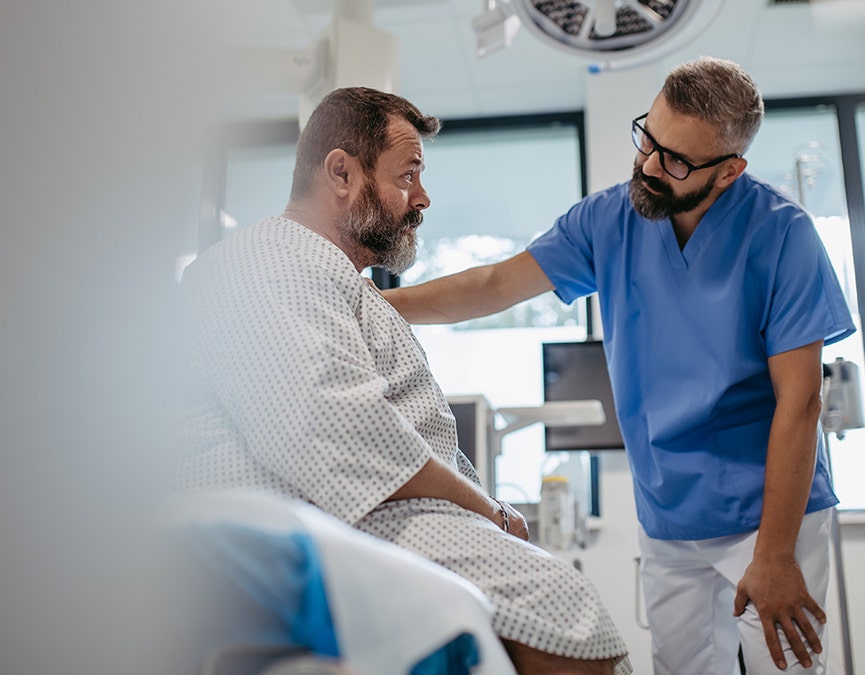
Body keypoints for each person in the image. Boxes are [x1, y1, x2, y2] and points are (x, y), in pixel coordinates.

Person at [383, 57, 857, 674]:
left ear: (730, 171)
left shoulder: (782, 235)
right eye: (648, 140)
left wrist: (774, 552)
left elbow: (801, 402)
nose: (650, 166)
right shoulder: (609, 219)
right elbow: (497, 284)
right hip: (668, 513)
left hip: (769, 515)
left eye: (677, 161)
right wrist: (375, 303)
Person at [174, 86, 631, 675]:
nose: (423, 197)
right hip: (313, 523)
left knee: (558, 593)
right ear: (341, 172)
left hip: (364, 513)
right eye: (407, 174)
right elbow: (338, 434)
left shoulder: (336, 279)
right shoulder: (272, 258)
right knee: (559, 602)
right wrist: (491, 514)